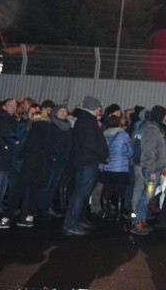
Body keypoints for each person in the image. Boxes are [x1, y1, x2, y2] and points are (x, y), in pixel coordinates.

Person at [0, 104, 52, 229]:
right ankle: (29, 217)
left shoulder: (34, 127)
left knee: (16, 190)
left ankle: (5, 218)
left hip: (28, 161)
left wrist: (20, 152)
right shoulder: (48, 128)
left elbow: (27, 144)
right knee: (34, 190)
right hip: (41, 163)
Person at [62, 95, 109, 236]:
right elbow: (91, 143)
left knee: (81, 193)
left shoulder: (84, 120)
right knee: (81, 194)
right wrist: (103, 154)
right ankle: (71, 224)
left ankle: (77, 220)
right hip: (88, 162)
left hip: (85, 161)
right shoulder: (88, 121)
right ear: (94, 107)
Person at [130, 105, 166, 236]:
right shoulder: (152, 130)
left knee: (147, 195)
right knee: (146, 195)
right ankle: (137, 223)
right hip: (151, 170)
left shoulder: (152, 127)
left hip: (151, 168)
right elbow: (149, 152)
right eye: (165, 116)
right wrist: (152, 170)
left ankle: (141, 219)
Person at [40, 104, 71, 218]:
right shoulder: (52, 125)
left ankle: (49, 205)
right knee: (48, 183)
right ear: (56, 112)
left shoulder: (67, 126)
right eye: (61, 111)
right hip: (53, 159)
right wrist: (52, 155)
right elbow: (49, 142)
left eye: (65, 111)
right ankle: (44, 207)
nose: (63, 113)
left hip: (62, 159)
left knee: (54, 184)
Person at [99, 113, 133, 220]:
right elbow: (130, 151)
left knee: (106, 190)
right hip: (121, 168)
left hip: (107, 167)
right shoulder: (124, 135)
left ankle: (105, 212)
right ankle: (119, 215)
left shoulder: (104, 134)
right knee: (120, 192)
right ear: (119, 123)